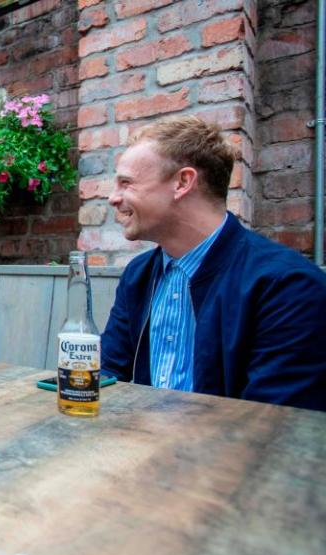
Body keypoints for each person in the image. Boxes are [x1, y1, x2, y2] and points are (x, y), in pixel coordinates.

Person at [102, 115, 326, 411]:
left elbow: (272, 427)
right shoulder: (139, 275)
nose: (112, 198)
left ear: (183, 182)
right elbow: (107, 378)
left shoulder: (288, 286)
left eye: (126, 183)